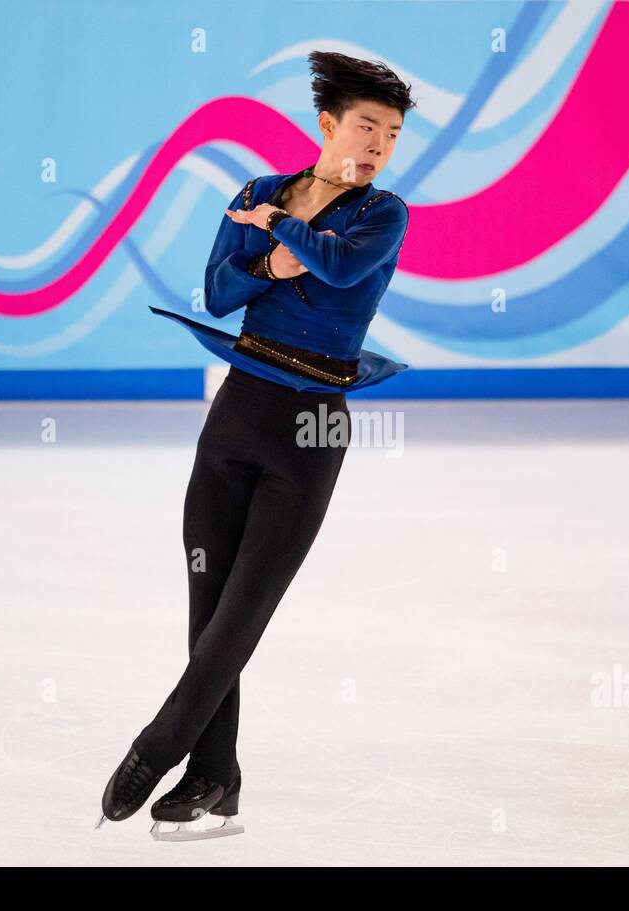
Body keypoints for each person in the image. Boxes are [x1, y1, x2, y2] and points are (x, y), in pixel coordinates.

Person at [97, 51, 416, 838]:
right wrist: (274, 249)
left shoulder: (383, 215)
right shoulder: (255, 190)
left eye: (393, 133)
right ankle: (218, 778)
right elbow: (218, 289)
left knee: (245, 610)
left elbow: (339, 268)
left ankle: (159, 744)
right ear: (328, 125)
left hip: (312, 425)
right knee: (209, 605)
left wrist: (272, 241)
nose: (378, 144)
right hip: (239, 409)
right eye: (367, 126)